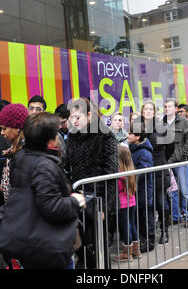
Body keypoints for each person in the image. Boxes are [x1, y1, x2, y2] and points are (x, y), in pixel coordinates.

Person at [1, 112, 86, 269]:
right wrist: (76, 201)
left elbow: (19, 197)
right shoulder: (44, 166)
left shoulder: (22, 158)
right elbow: (51, 206)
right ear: (51, 141)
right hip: (50, 247)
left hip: (32, 243)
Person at [66, 98, 118, 268]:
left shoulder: (105, 135)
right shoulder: (73, 136)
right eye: (72, 117)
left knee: (99, 246)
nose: (74, 120)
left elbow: (110, 173)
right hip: (78, 198)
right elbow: (66, 165)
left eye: (78, 117)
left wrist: (104, 207)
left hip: (98, 199)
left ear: (89, 115)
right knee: (79, 245)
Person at [0, 103, 29, 230]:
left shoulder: (24, 156)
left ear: (18, 128)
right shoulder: (12, 152)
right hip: (15, 217)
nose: (2, 133)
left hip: (25, 222)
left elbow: (22, 196)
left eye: (4, 128)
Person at [140, 101, 172, 246]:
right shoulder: (138, 127)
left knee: (161, 201)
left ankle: (164, 231)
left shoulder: (162, 127)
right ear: (142, 112)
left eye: (150, 109)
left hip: (159, 167)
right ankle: (149, 233)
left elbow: (171, 146)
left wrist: (164, 160)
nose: (148, 111)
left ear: (154, 112)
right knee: (148, 203)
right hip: (143, 169)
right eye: (145, 109)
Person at [164, 98, 188, 228]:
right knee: (172, 191)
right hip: (168, 162)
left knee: (185, 191)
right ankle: (175, 216)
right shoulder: (162, 122)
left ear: (176, 109)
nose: (167, 109)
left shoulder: (183, 121)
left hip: (180, 162)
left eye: (170, 106)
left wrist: (183, 154)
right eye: (165, 107)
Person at [127, 123, 155, 254]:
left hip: (143, 190)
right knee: (139, 216)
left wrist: (129, 177)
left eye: (130, 133)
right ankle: (142, 239)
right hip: (136, 189)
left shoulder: (144, 152)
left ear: (137, 136)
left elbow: (142, 172)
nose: (127, 135)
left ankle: (149, 241)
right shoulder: (133, 148)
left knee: (145, 215)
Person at [113, 145, 141, 262]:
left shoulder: (120, 174)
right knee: (132, 224)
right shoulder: (131, 170)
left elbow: (118, 189)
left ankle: (127, 253)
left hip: (122, 204)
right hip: (131, 202)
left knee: (126, 227)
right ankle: (136, 250)